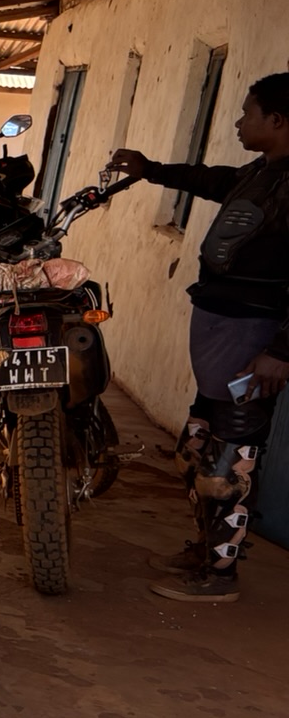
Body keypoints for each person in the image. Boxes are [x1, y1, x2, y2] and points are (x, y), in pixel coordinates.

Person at [110, 72, 289, 603]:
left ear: (278, 120)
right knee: (196, 452)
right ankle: (206, 549)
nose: (238, 122)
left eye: (248, 113)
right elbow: (214, 181)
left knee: (229, 463)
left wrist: (281, 351)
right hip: (222, 336)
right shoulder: (262, 173)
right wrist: (151, 170)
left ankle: (219, 575)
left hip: (254, 341)